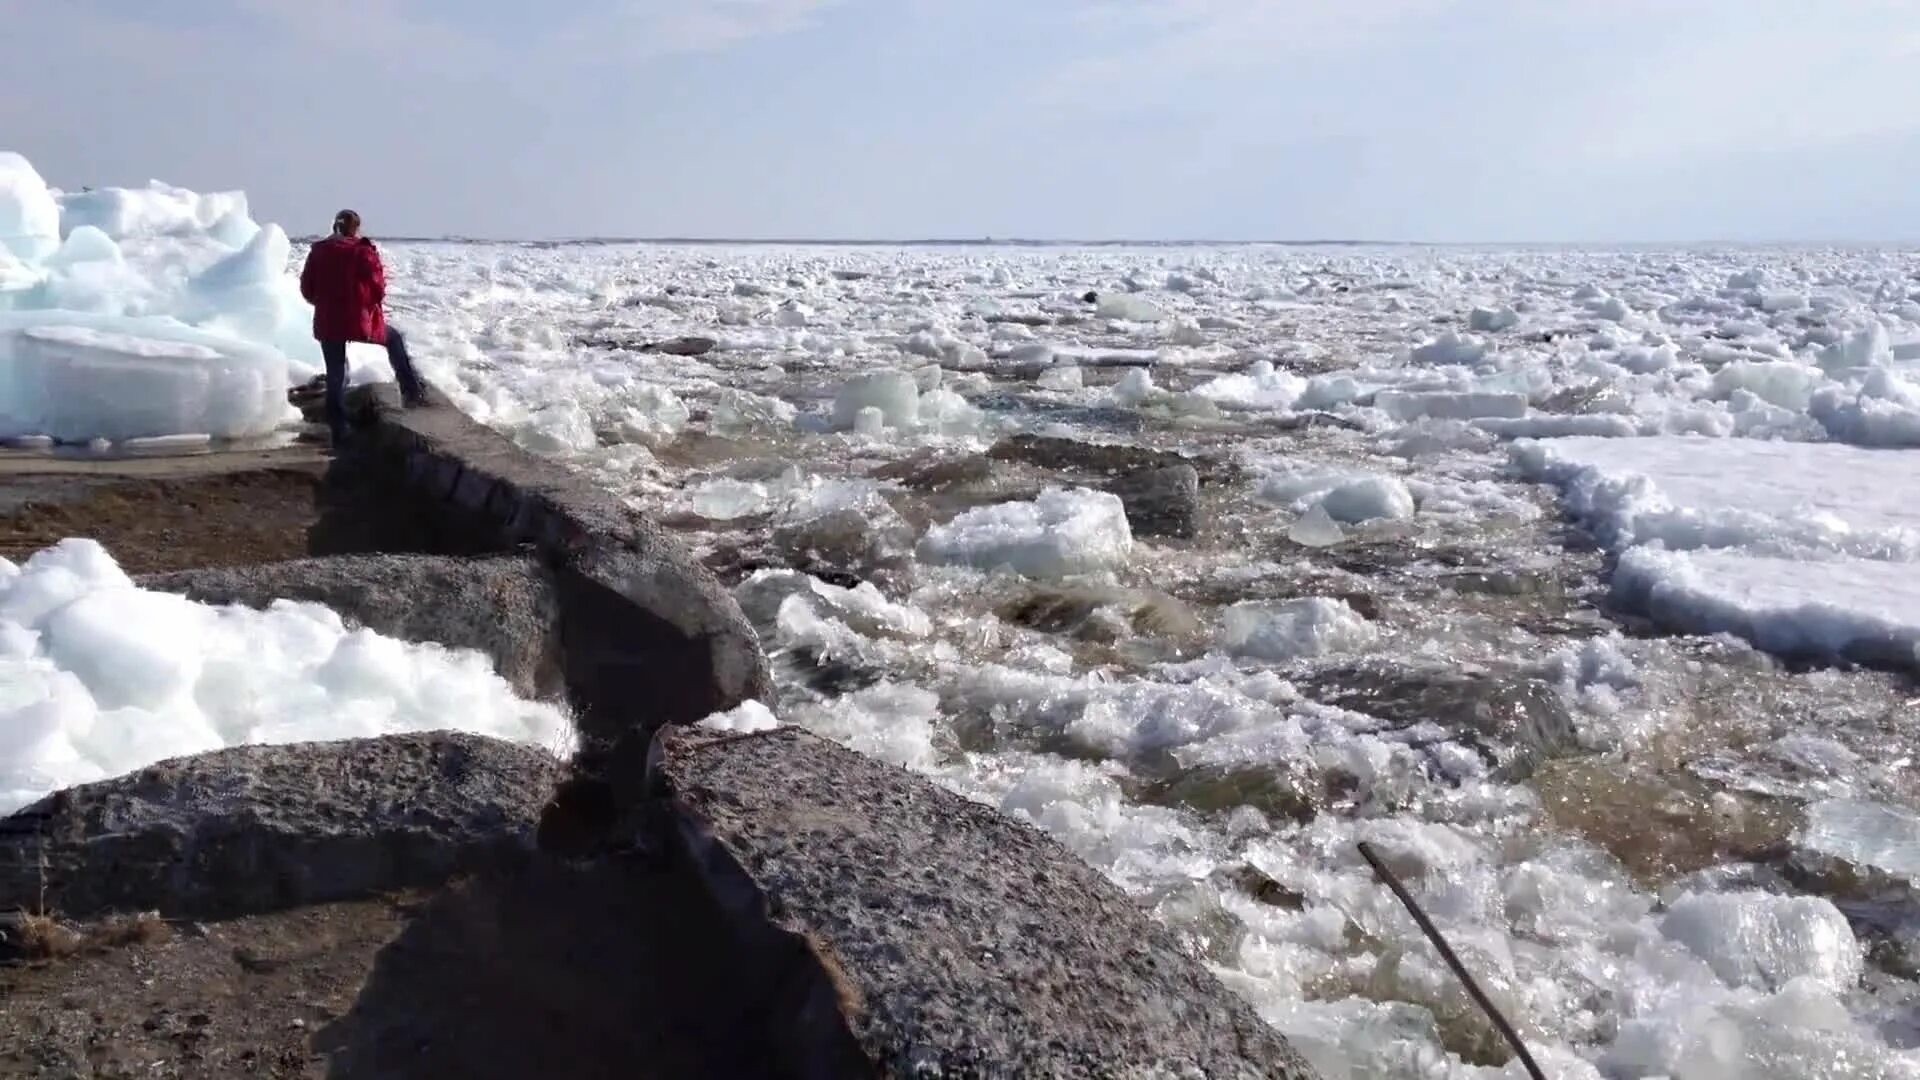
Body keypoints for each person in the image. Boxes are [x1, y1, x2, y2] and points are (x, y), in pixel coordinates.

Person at [299, 209, 427, 445]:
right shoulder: (362, 251)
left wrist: (325, 302)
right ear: (355, 228)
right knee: (394, 339)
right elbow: (378, 287)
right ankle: (411, 392)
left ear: (334, 227)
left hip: (328, 320)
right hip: (358, 320)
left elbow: (307, 288)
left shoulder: (318, 251)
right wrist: (364, 303)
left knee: (336, 372)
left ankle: (339, 428)